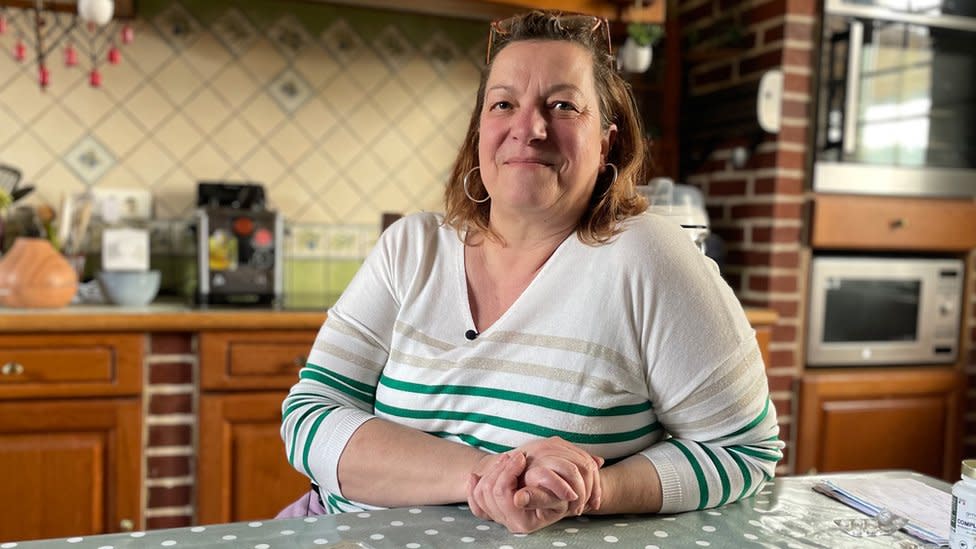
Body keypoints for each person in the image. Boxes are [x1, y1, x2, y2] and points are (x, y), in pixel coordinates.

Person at [280, 9, 783, 534]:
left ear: (607, 142)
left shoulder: (648, 259)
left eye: (563, 105)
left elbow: (744, 451)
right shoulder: (410, 248)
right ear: (480, 133)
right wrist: (491, 476)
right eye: (504, 104)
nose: (530, 127)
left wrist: (597, 490)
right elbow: (310, 416)